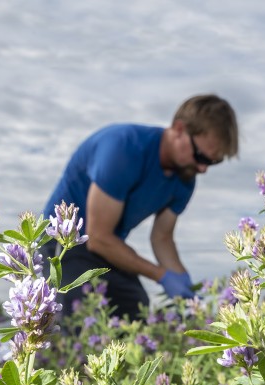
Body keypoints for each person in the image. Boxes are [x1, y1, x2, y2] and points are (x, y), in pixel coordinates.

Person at [41, 94, 239, 321]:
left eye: (213, 162)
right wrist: (162, 275)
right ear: (179, 129)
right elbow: (98, 237)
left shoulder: (185, 178)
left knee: (136, 309)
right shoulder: (124, 149)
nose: (204, 169)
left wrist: (183, 283)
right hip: (63, 243)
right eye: (200, 156)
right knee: (76, 321)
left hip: (106, 247)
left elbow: (162, 238)